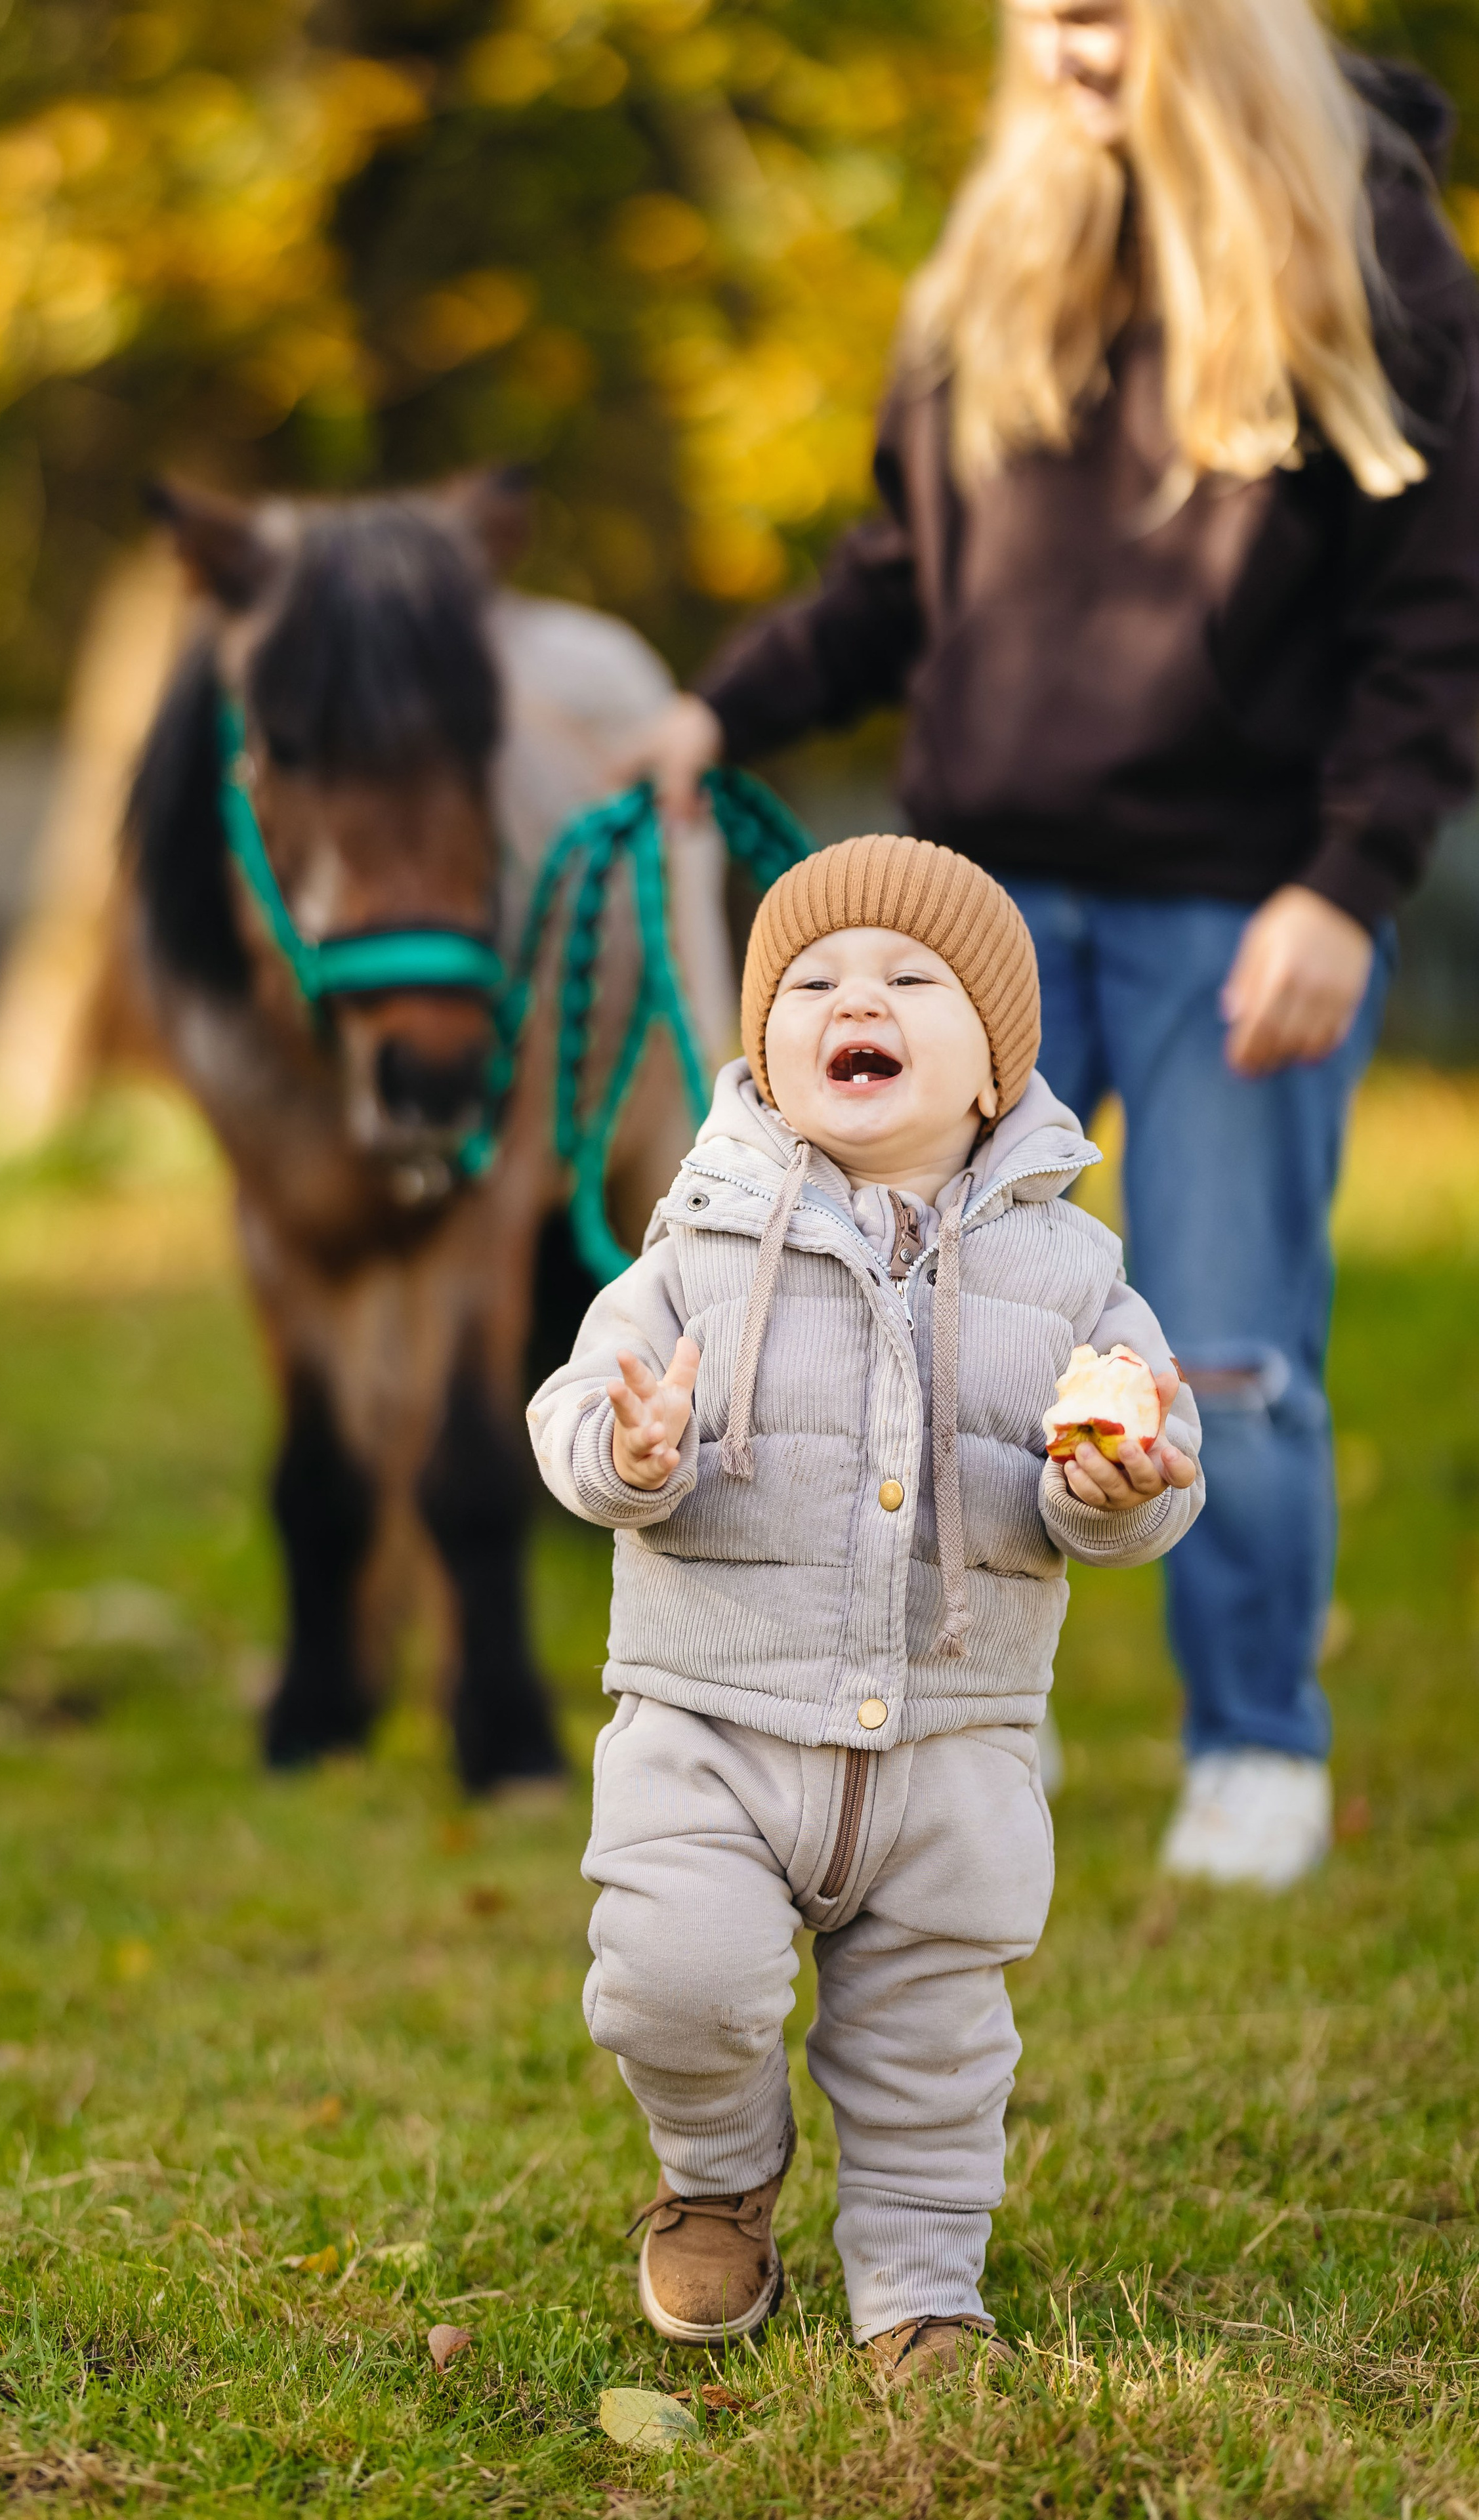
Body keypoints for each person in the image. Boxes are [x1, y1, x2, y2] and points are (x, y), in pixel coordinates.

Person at [627, 0, 1479, 1889]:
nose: (1072, 32)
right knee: (903, 1334)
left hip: (1233, 904)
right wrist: (719, 713)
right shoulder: (1001, 243)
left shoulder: (1373, 239)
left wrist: (1348, 883)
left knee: (1226, 1352)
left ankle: (1258, 1744)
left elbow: (1441, 612)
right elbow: (894, 578)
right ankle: (925, 1729)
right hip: (977, 907)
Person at [528, 834, 1201, 2372]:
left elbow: (1152, 1460)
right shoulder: (696, 1243)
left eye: (910, 978)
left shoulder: (1074, 1275)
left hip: (952, 1744)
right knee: (668, 1980)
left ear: (991, 1074)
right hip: (710, 1720)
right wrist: (630, 1452)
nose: (857, 996)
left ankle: (918, 2297)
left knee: (931, 2050)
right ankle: (716, 2178)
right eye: (813, 980)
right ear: (766, 1060)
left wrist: (1116, 1491)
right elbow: (569, 1413)